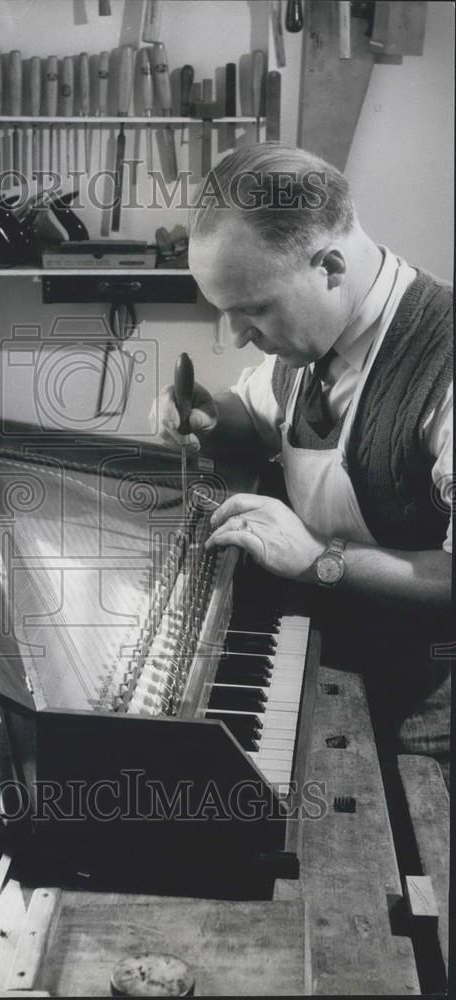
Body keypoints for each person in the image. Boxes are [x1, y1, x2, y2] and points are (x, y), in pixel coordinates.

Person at [152, 143, 452, 787]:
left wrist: (321, 557)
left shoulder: (444, 361)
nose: (235, 336)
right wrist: (210, 415)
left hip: (428, 715)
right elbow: (260, 414)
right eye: (223, 310)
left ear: (331, 267)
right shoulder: (312, 339)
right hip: (331, 664)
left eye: (253, 309)